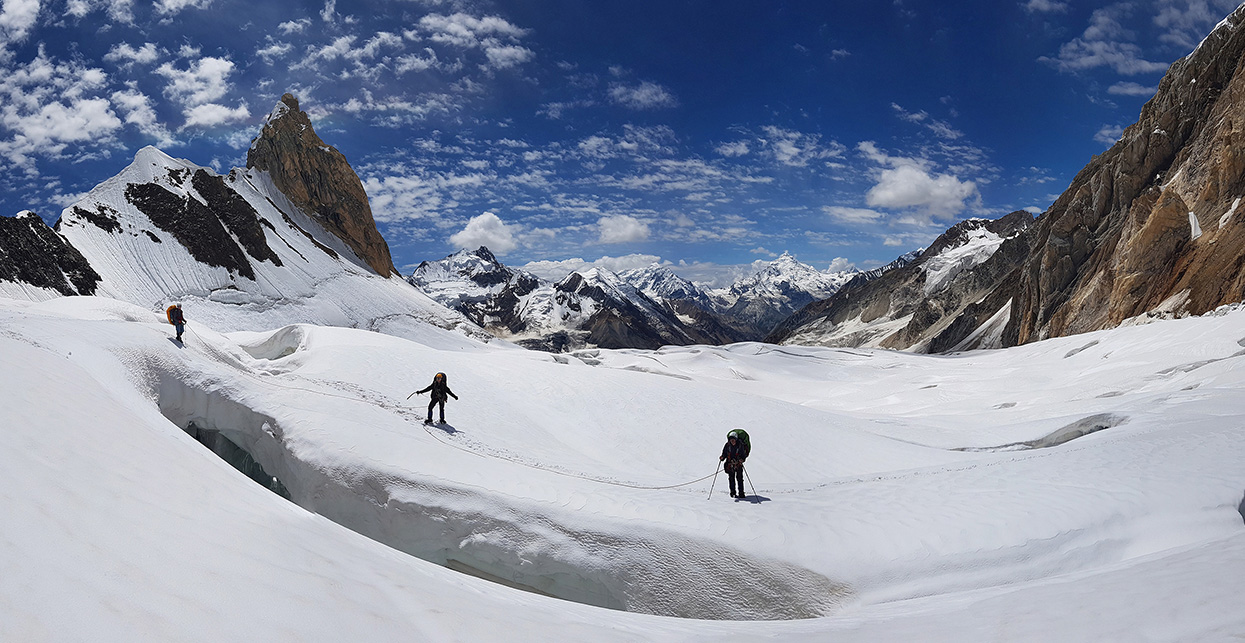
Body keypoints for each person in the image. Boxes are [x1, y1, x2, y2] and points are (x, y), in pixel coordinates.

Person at [719, 430, 750, 498]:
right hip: (730, 464)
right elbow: (724, 453)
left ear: (736, 439)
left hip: (738, 464)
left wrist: (742, 459)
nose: (732, 441)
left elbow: (743, 455)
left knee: (739, 478)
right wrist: (722, 457)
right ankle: (732, 492)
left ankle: (741, 493)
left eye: (733, 440)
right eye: (731, 440)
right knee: (731, 479)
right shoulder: (727, 445)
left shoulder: (740, 445)